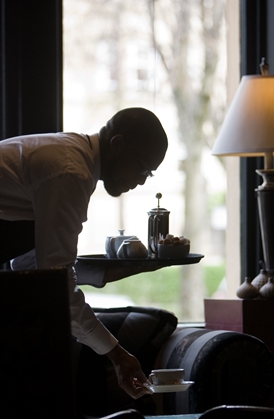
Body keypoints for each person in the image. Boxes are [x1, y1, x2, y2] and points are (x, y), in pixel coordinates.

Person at [0, 107, 168, 399]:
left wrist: (108, 273)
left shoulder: (72, 155)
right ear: (118, 145)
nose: (142, 181)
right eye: (143, 168)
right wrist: (117, 355)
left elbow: (30, 265)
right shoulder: (71, 172)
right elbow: (55, 288)